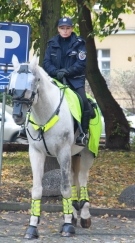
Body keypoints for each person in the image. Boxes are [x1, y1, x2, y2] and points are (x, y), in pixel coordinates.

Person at [43, 17, 90, 146]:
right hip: (55, 79)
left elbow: (81, 63)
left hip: (74, 80)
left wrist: (67, 72)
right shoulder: (51, 43)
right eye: (62, 28)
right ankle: (26, 129)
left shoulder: (79, 43)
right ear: (58, 29)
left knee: (83, 102)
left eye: (68, 28)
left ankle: (83, 133)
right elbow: (46, 63)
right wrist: (55, 72)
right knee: (37, 96)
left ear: (72, 29)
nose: (65, 31)